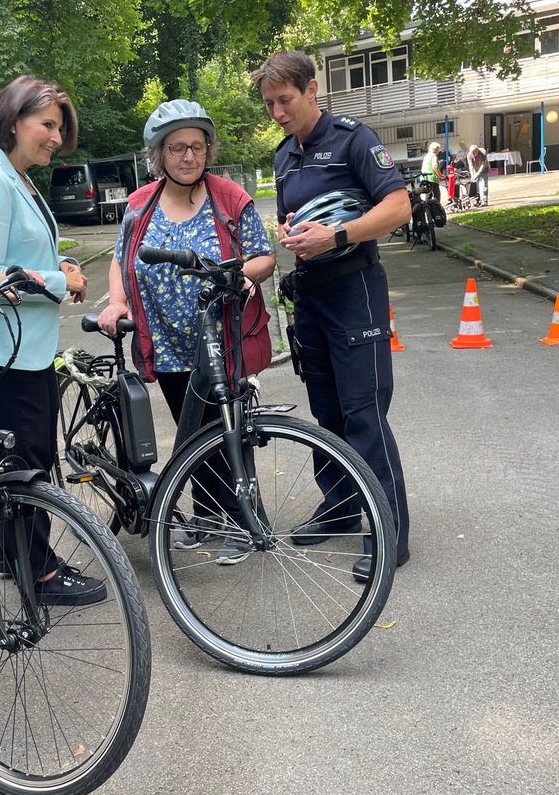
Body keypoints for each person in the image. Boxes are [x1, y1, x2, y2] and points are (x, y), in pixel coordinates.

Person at [250, 50, 411, 582]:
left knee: (363, 411)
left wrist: (336, 234)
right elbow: (296, 217)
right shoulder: (283, 155)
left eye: (285, 100)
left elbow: (398, 206)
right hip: (311, 294)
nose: (277, 111)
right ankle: (342, 505)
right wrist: (292, 231)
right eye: (270, 103)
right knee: (328, 412)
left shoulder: (352, 138)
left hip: (355, 287)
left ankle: (389, 533)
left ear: (312, 89)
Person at [0, 75, 103, 605]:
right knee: (25, 464)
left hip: (24, 347)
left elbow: (23, 256)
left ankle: (22, 559)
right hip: (0, 353)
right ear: (14, 119)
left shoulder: (18, 176)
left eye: (60, 128)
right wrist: (62, 284)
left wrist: (56, 265)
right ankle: (37, 571)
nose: (57, 137)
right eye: (48, 125)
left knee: (29, 458)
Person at [98, 99, 276, 565]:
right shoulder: (140, 204)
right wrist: (117, 301)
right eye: (177, 148)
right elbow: (121, 259)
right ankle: (206, 515)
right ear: (160, 154)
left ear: (207, 150)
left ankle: (241, 519)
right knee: (190, 430)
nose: (188, 156)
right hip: (168, 339)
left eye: (196, 147)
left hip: (222, 337)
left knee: (228, 428)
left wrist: (243, 276)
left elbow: (263, 255)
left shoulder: (229, 197)